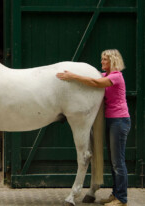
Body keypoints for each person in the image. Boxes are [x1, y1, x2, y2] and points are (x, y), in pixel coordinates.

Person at [56, 49, 131, 206]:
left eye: (105, 60)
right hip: (112, 120)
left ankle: (122, 198)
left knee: (118, 161)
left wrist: (73, 76)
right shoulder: (105, 75)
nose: (102, 62)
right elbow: (93, 80)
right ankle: (115, 194)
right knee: (114, 160)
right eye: (102, 59)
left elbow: (95, 83)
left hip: (120, 121)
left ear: (113, 61)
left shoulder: (116, 76)